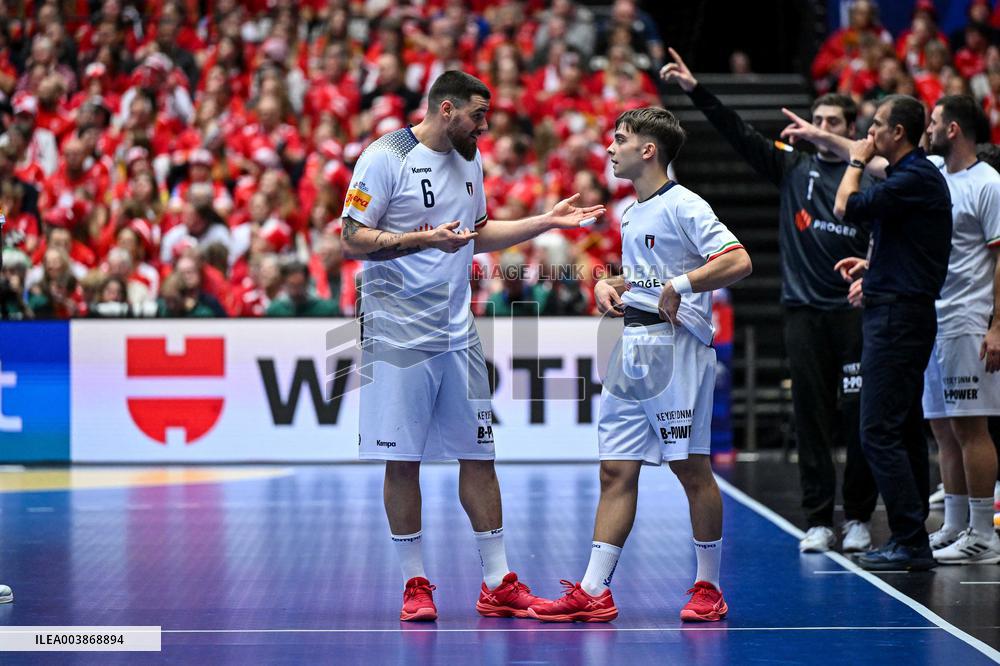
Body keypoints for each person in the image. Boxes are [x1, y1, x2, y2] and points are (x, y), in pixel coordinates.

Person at [339, 70, 604, 622]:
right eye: (478, 114)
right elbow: (352, 237)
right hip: (396, 333)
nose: (485, 125)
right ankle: (415, 583)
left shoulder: (470, 157)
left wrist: (545, 221)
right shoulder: (385, 157)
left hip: (458, 331)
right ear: (446, 110)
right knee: (402, 460)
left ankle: (496, 582)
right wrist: (421, 240)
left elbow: (477, 232)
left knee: (480, 455)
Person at [527, 107, 752, 623]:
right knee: (614, 470)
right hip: (632, 348)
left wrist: (683, 286)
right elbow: (650, 277)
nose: (610, 148)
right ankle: (594, 590)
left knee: (691, 469)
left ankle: (708, 587)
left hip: (676, 351)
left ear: (648, 151)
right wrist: (613, 284)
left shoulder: (685, 204)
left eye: (620, 139)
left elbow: (738, 261)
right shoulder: (631, 211)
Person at [660, 48, 878, 553]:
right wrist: (696, 90)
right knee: (811, 417)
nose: (816, 126)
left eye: (830, 122)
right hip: (803, 312)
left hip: (855, 312)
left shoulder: (870, 173)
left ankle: (861, 515)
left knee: (859, 414)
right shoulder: (793, 169)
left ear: (849, 128)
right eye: (816, 118)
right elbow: (739, 133)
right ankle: (820, 519)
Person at [783, 95, 952, 570]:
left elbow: (845, 205)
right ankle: (912, 534)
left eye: (876, 125)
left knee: (877, 430)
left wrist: (854, 160)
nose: (869, 133)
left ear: (897, 133)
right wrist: (872, 270)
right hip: (898, 308)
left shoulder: (912, 177)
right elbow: (908, 244)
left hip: (897, 319)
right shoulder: (911, 176)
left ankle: (908, 536)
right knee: (900, 428)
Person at [920, 97, 1000, 564]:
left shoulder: (988, 184)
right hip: (934, 317)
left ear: (953, 129)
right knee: (943, 430)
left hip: (970, 319)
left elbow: (999, 258)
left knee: (971, 428)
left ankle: (983, 534)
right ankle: (953, 525)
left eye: (932, 122)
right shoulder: (933, 173)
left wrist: (997, 325)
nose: (927, 128)